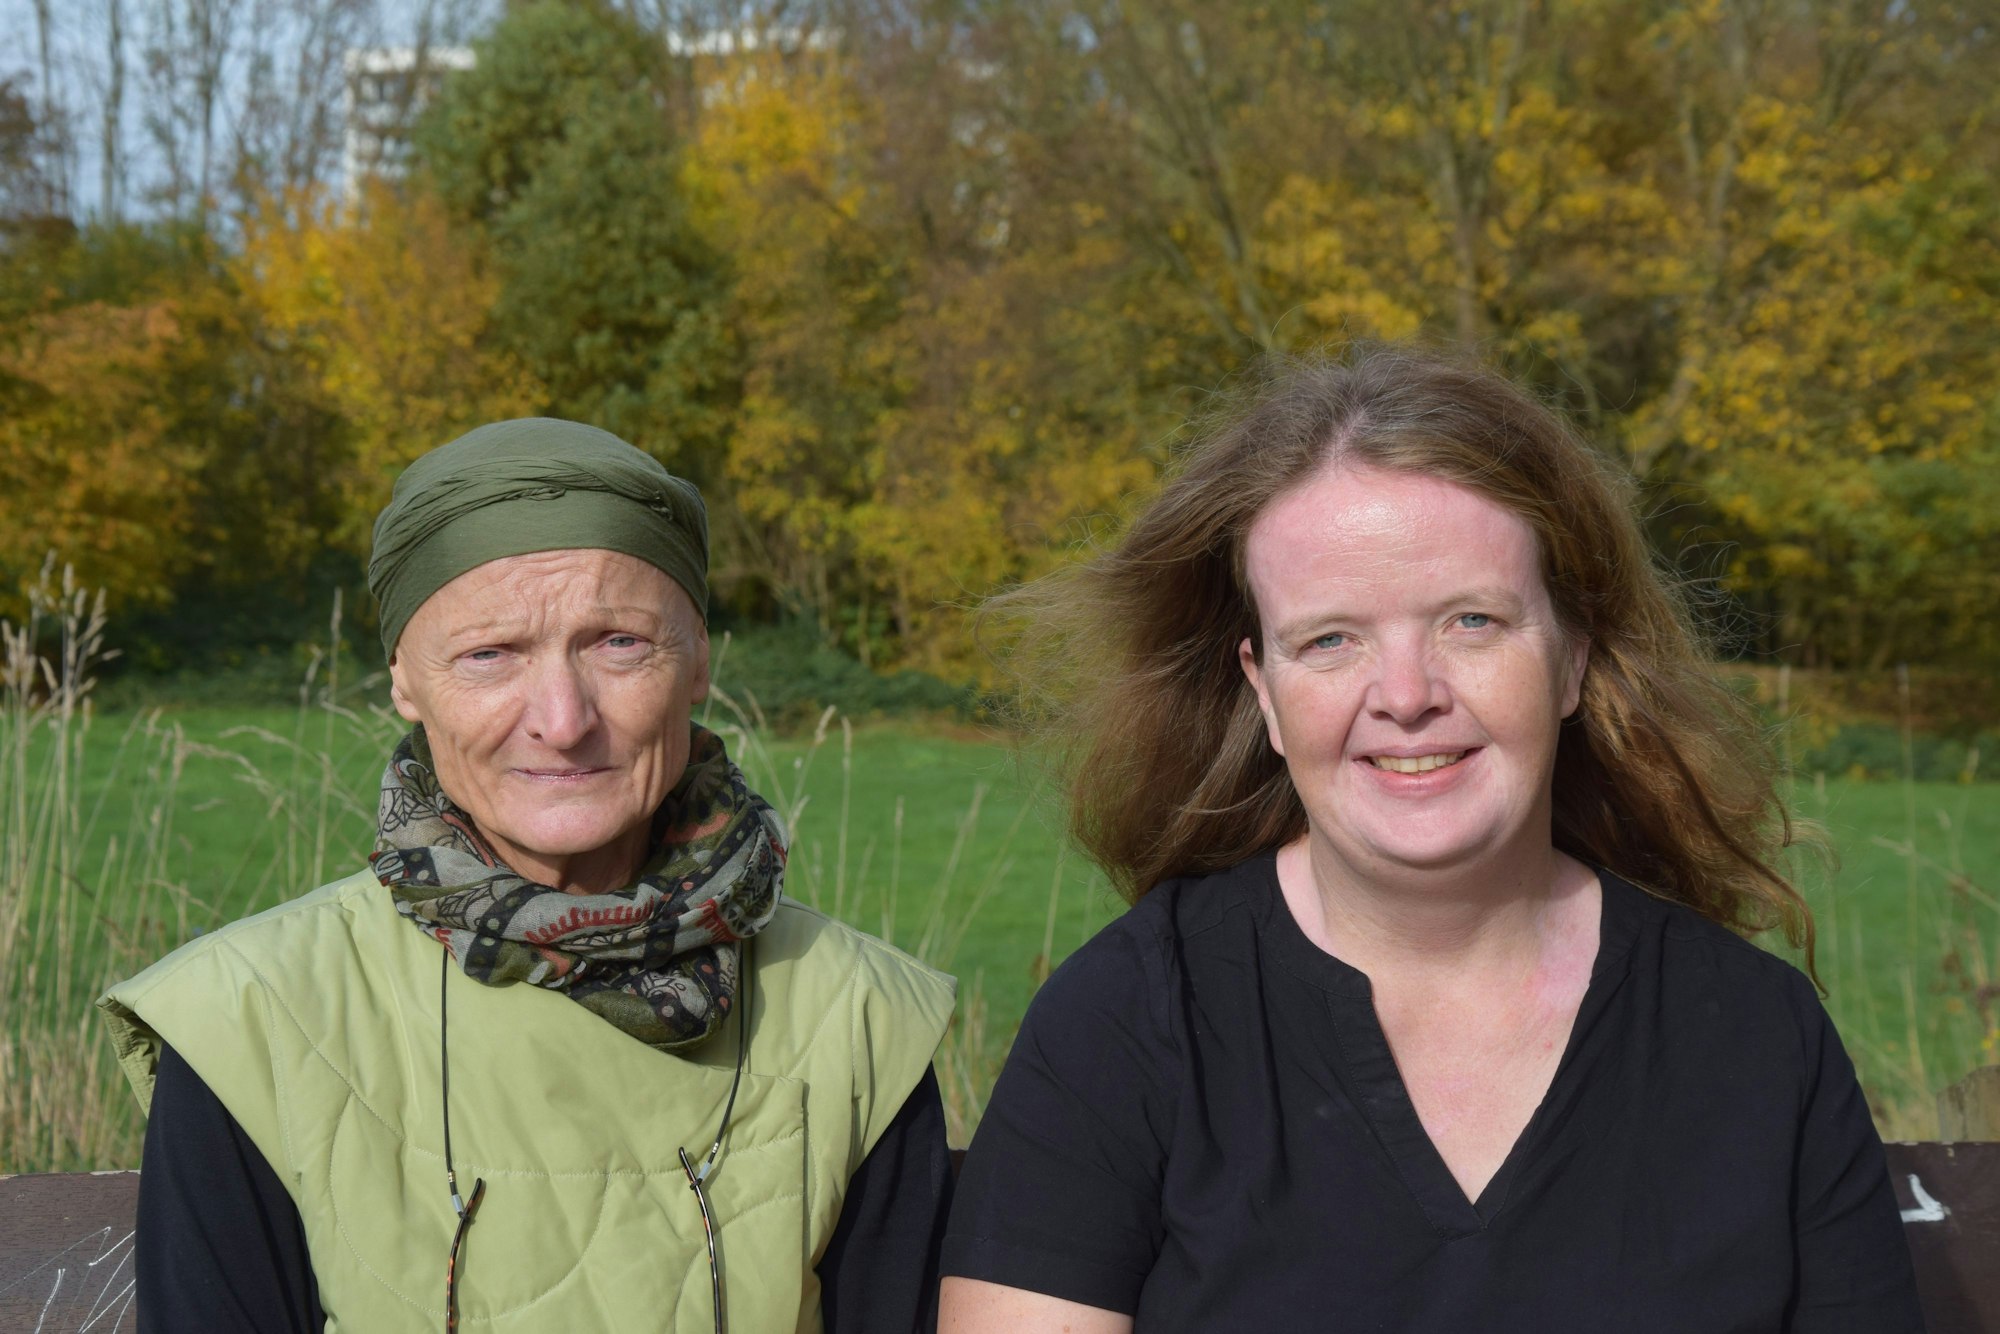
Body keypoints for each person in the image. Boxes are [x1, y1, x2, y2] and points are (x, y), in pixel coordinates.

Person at [938, 347, 1924, 1332]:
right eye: (1330, 639)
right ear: (1263, 691)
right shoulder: (1128, 1022)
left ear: (1571, 658)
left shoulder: (1756, 1038)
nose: (1406, 696)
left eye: (1470, 621)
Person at [100, 419, 957, 1334]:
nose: (562, 718)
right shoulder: (255, 1021)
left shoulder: (857, 1019)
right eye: (489, 654)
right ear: (404, 681)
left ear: (698, 662)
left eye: (618, 643)